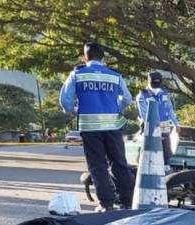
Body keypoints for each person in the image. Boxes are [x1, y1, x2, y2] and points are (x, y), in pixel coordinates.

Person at [60, 42, 134, 212]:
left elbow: (65, 100)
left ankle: (106, 204)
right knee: (120, 163)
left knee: (98, 165)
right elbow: (128, 99)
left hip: (90, 128)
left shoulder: (77, 74)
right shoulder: (115, 75)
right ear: (104, 58)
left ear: (85, 57)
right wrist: (115, 108)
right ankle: (127, 202)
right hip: (113, 127)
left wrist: (74, 110)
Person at [136, 72, 180, 170]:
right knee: (151, 154)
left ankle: (166, 173)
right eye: (153, 84)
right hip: (150, 130)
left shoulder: (164, 93)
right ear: (148, 82)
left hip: (165, 129)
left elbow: (169, 109)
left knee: (166, 154)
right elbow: (144, 116)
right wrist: (154, 131)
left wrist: (176, 124)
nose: (156, 87)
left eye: (157, 84)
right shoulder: (142, 95)